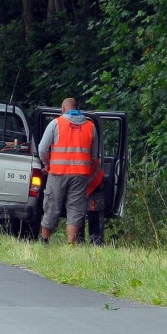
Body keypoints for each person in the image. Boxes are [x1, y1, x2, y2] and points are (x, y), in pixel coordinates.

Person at [38, 97, 100, 244]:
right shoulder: (91, 127)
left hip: (58, 172)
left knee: (52, 205)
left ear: (62, 108)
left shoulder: (56, 123)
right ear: (76, 108)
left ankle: (44, 240)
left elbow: (42, 149)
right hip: (80, 175)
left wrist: (47, 164)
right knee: (75, 209)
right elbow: (94, 156)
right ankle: (70, 244)